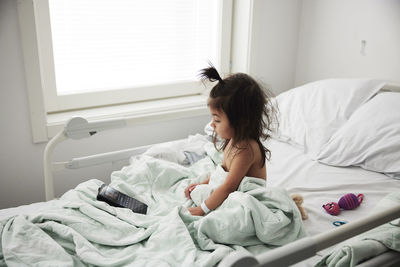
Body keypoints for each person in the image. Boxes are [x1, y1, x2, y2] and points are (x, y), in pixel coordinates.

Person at [185, 64, 277, 216]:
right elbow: (222, 174)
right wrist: (201, 184)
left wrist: (202, 209)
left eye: (217, 120)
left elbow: (228, 187)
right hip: (231, 190)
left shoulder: (245, 150)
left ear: (240, 121)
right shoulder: (233, 140)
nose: (212, 125)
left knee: (233, 221)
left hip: (249, 199)